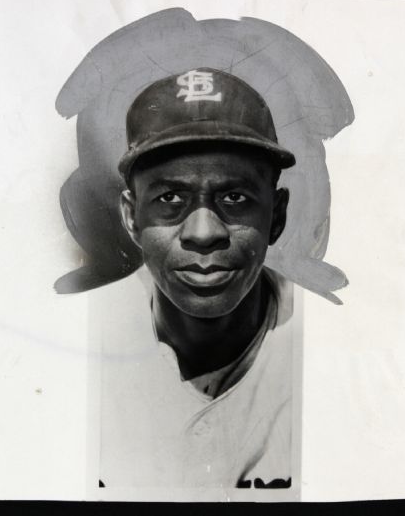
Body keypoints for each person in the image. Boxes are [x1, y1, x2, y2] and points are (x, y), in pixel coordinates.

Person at [86, 67, 299, 488]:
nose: (204, 232)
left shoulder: (341, 347)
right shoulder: (73, 340)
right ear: (131, 215)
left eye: (235, 198)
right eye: (170, 199)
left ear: (276, 215)